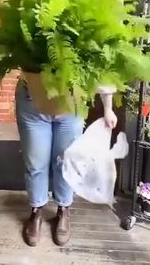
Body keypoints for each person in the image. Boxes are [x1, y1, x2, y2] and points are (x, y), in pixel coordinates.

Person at [15, 77, 117, 247]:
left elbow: (101, 66)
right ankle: (36, 210)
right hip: (32, 101)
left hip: (71, 105)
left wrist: (108, 108)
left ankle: (63, 210)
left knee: (66, 162)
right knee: (35, 162)